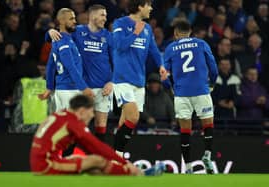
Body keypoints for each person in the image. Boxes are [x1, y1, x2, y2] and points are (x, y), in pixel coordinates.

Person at [30, 94, 165, 175]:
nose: (92, 115)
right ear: (82, 111)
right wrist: (123, 162)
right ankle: (137, 173)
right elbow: (97, 147)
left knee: (91, 165)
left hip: (40, 161)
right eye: (91, 112)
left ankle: (128, 175)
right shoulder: (72, 122)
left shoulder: (59, 115)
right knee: (96, 160)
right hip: (46, 166)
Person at [46, 5, 114, 141]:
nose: (105, 19)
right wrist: (49, 32)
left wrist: (112, 81)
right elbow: (59, 38)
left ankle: (95, 158)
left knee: (101, 126)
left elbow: (118, 62)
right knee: (80, 126)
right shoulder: (77, 31)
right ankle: (76, 157)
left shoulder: (109, 36)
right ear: (93, 16)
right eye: (102, 15)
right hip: (82, 88)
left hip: (103, 87)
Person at [111, 0, 167, 156]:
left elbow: (154, 50)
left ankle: (116, 157)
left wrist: (161, 66)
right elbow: (120, 46)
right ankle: (118, 156)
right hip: (122, 78)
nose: (151, 8)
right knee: (134, 117)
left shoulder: (147, 28)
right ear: (140, 6)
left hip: (139, 80)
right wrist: (135, 32)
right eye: (148, 5)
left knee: (125, 121)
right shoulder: (120, 23)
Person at [164, 19, 218, 174]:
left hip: (182, 93)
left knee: (185, 130)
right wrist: (212, 83)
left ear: (175, 34)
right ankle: (207, 154)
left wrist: (170, 87)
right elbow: (213, 67)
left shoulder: (171, 48)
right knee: (207, 125)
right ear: (190, 33)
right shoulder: (201, 44)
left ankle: (187, 167)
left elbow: (163, 73)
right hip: (201, 90)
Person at [38, 8, 92, 111]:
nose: (75, 21)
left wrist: (49, 87)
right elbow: (70, 66)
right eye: (71, 19)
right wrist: (83, 87)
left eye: (75, 18)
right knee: (72, 123)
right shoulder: (64, 42)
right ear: (62, 21)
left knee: (62, 123)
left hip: (61, 90)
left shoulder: (58, 40)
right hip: (70, 89)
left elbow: (50, 66)